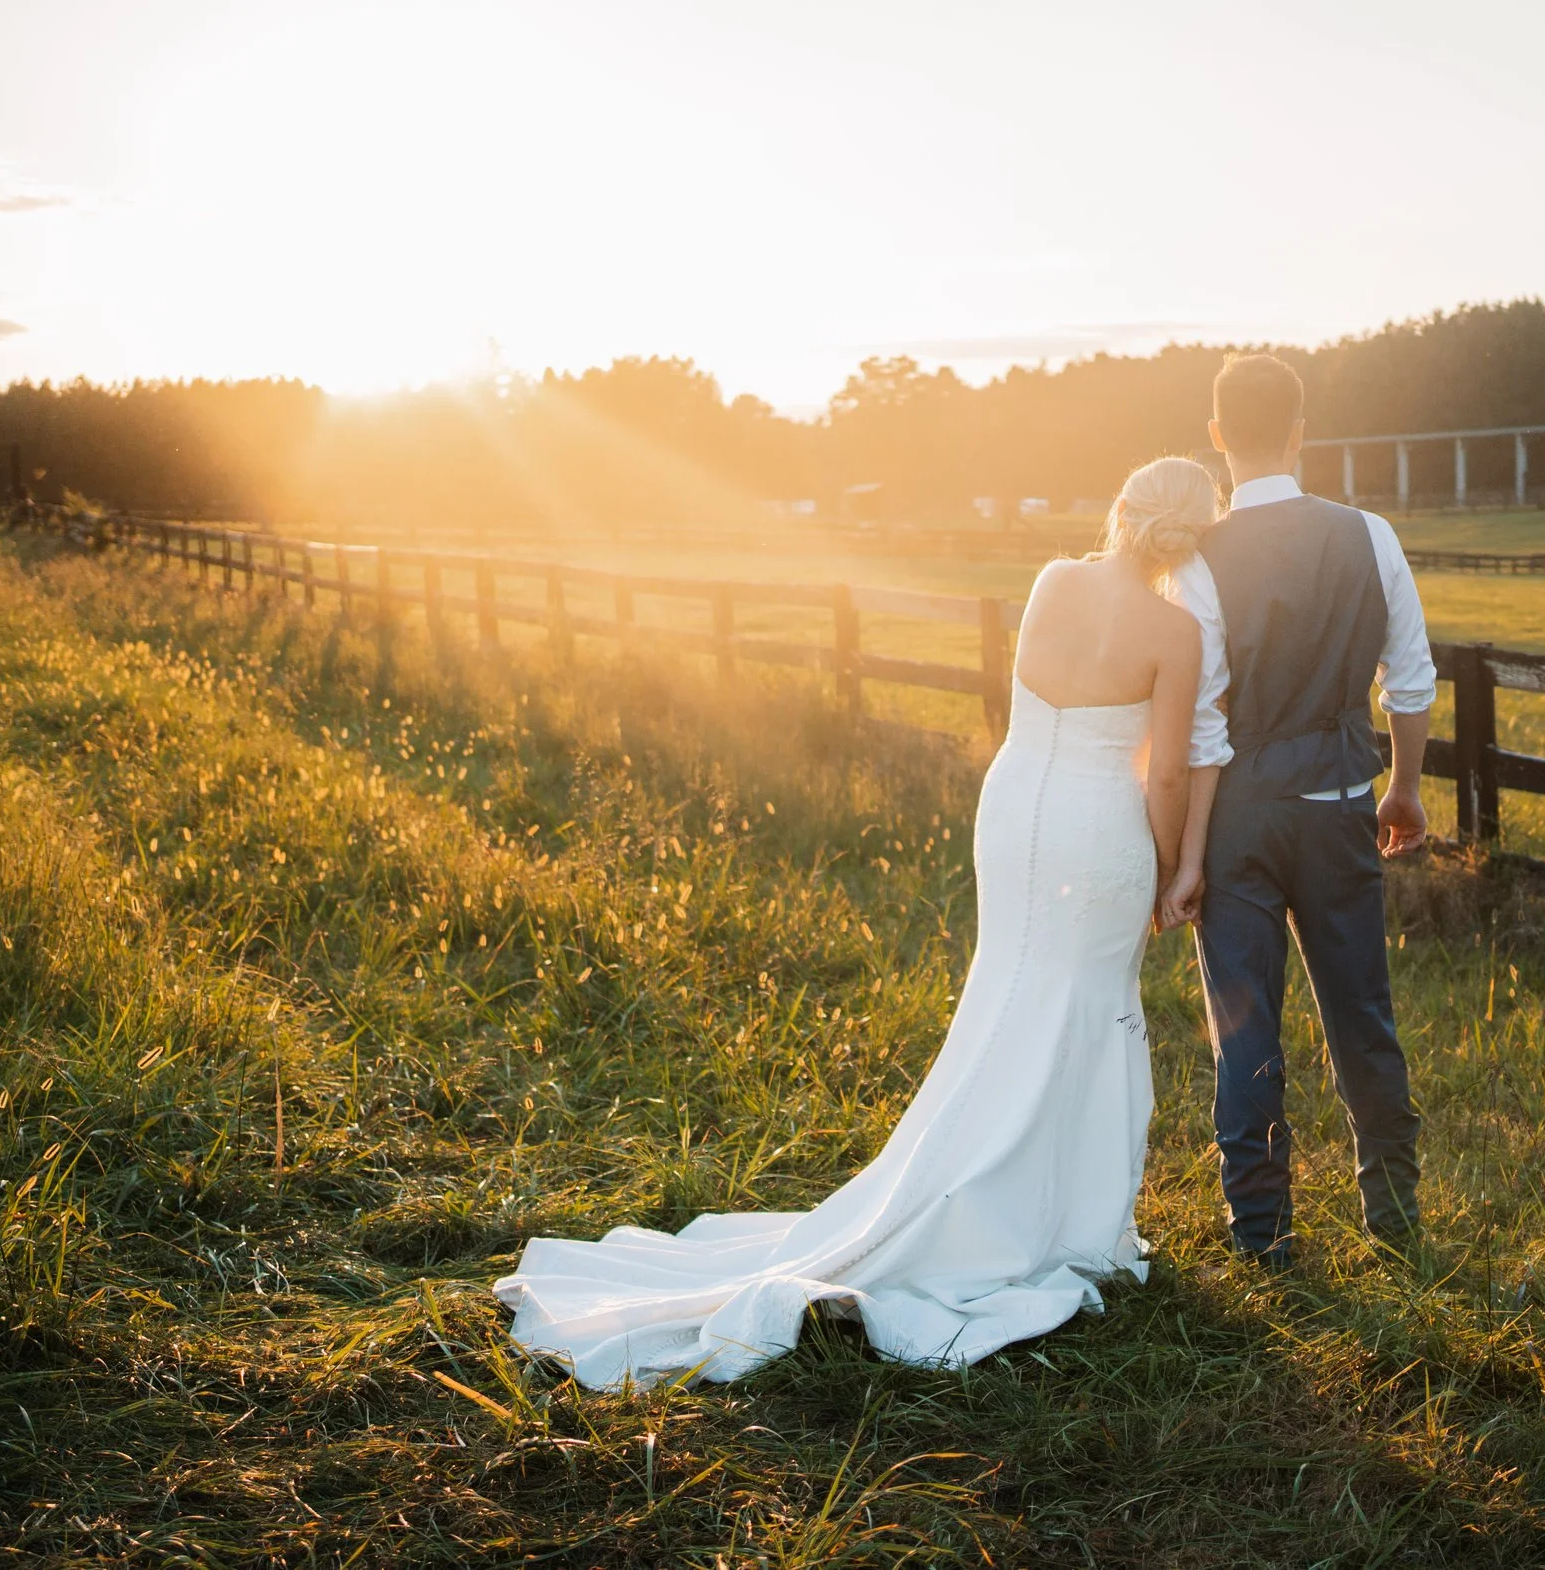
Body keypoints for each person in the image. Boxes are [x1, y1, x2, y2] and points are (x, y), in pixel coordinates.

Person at [493, 458, 1219, 1387]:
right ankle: (1052, 1217)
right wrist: (1173, 863)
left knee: (1008, 987)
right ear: (1193, 536)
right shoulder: (1177, 629)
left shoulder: (1051, 581)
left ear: (1120, 510)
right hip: (1094, 825)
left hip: (1014, 805)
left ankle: (979, 1176)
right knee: (1082, 1001)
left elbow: (1026, 702)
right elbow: (1162, 775)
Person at [1155, 353, 1435, 1268]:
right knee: (1362, 1013)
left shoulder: (1200, 560)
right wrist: (1404, 786)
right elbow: (1412, 679)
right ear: (1302, 429)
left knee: (1245, 1028)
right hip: (1343, 801)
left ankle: (1263, 1236)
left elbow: (1202, 721)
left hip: (1239, 817)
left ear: (1218, 435)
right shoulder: (1371, 534)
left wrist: (1186, 855)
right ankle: (1393, 1217)